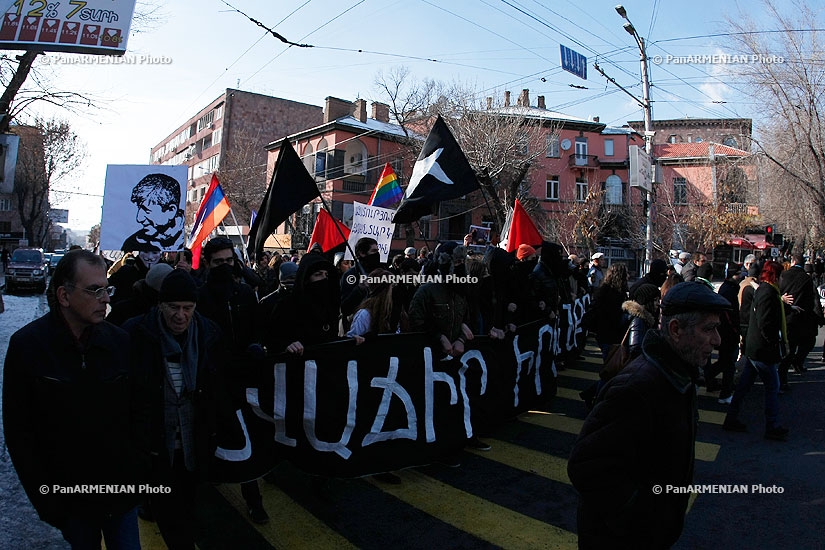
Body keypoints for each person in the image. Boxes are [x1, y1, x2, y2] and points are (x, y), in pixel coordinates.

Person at [568, 281, 731, 549]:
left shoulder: (677, 377)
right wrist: (644, 522)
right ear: (676, 330)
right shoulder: (638, 387)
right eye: (708, 329)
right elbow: (587, 467)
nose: (717, 340)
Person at [3, 250, 147, 549]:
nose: (105, 298)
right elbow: (20, 434)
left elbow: (140, 414)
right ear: (64, 296)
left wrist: (137, 475)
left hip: (121, 495)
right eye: (94, 290)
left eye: (106, 289)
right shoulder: (28, 346)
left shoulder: (120, 342)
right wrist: (47, 501)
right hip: (70, 502)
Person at [123, 269, 246, 548]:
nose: (180, 315)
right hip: (156, 449)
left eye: (187, 308)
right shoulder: (135, 334)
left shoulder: (209, 334)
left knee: (190, 511)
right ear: (160, 305)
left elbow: (222, 382)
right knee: (171, 520)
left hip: (195, 446)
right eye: (174, 307)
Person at [194, 237, 267, 524]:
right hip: (208, 381)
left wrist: (256, 347)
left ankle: (254, 501)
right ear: (208, 264)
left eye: (228, 261)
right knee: (205, 440)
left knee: (244, 439)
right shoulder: (199, 297)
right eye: (218, 262)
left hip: (241, 381)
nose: (224, 266)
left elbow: (258, 330)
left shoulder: (245, 294)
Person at [723, 260, 790, 441]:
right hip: (762, 349)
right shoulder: (768, 293)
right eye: (780, 275)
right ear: (775, 276)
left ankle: (732, 418)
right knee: (773, 386)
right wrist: (773, 342)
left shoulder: (763, 290)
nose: (782, 279)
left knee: (744, 386)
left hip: (755, 348)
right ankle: (772, 425)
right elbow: (765, 322)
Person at [779, 254, 820, 381]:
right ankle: (791, 367)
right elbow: (813, 300)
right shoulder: (806, 279)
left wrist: (781, 300)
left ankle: (782, 376)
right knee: (804, 343)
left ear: (792, 262)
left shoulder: (783, 276)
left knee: (789, 348)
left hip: (785, 315)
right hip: (801, 317)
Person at [121, 173, 185, 252]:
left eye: (147, 210)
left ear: (171, 210)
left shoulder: (187, 241)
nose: (139, 218)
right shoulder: (133, 243)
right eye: (139, 208)